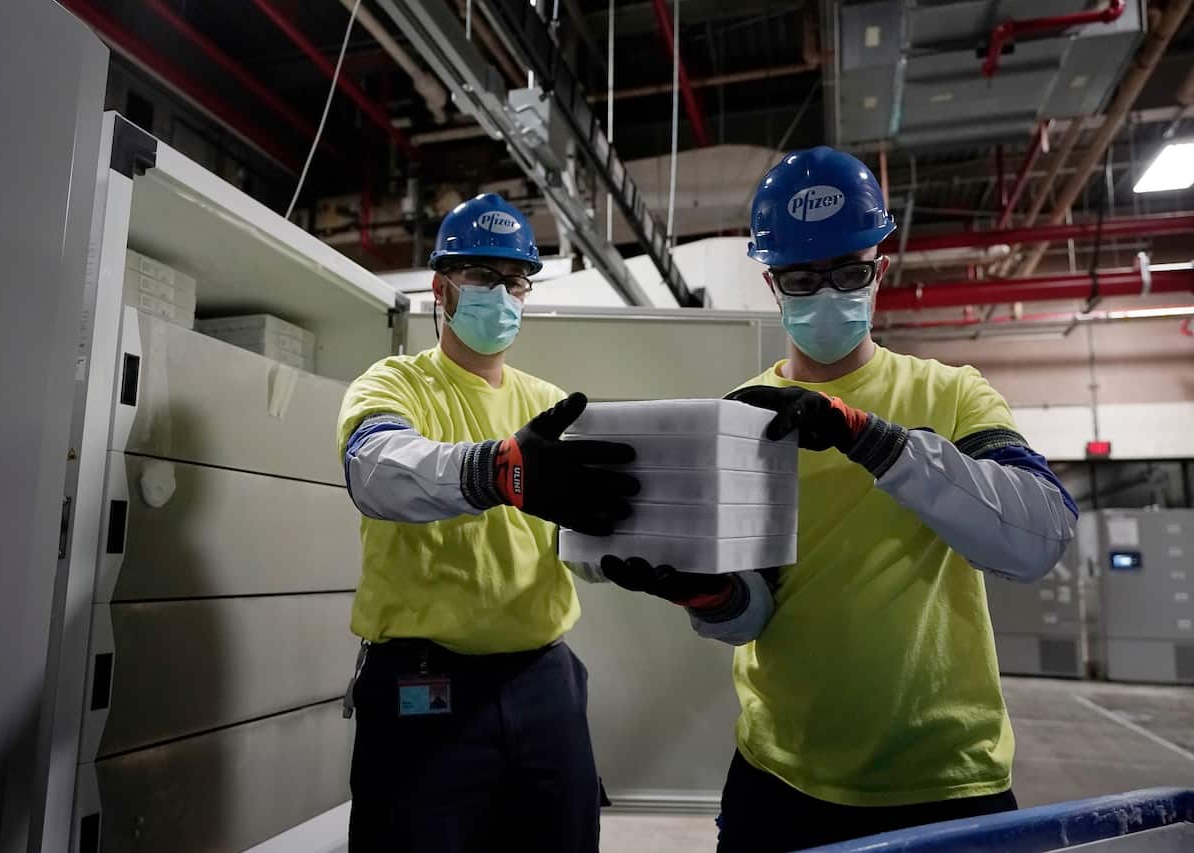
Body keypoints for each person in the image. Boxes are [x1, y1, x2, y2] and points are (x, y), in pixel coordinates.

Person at [598, 147, 1079, 852]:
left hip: (948, 781)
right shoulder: (742, 414)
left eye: (848, 272)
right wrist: (709, 595)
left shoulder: (951, 393)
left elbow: (1038, 538)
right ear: (771, 282)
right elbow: (752, 613)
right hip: (782, 776)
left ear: (880, 267)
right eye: (801, 277)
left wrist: (877, 442)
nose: (827, 294)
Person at [337, 193, 638, 853]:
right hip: (425, 687)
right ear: (441, 288)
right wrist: (495, 469)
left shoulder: (549, 405)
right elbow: (378, 470)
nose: (500, 294)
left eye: (515, 280)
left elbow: (577, 536)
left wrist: (627, 552)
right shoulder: (394, 385)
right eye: (481, 276)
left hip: (544, 680)